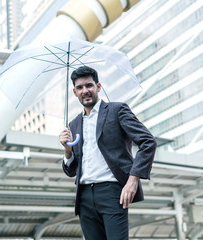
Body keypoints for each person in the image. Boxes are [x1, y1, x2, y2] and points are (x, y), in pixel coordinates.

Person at [59, 66, 157, 240]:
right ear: (74, 92)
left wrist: (133, 180)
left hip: (112, 192)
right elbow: (71, 170)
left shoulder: (117, 110)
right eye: (80, 88)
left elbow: (148, 142)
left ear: (98, 86)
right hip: (84, 196)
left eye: (89, 85)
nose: (85, 91)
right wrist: (67, 150)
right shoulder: (73, 125)